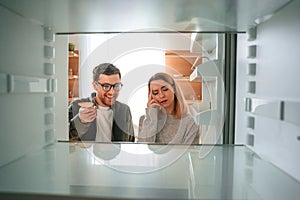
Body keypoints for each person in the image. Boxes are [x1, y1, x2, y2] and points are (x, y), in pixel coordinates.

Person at [69, 63, 134, 142]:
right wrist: (80, 121)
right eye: (106, 86)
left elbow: (130, 142)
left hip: (116, 154)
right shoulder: (76, 106)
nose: (112, 92)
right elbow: (64, 137)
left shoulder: (124, 110)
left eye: (116, 86)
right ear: (95, 86)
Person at [138, 72, 199, 144]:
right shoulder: (145, 120)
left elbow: (190, 153)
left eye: (165, 89)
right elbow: (143, 148)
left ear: (174, 89)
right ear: (151, 97)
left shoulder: (189, 122)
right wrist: (151, 117)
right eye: (155, 93)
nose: (161, 95)